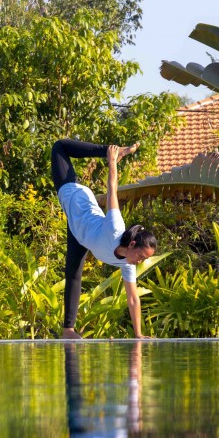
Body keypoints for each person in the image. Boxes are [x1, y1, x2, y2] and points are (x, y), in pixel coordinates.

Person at [51, 139, 156, 339]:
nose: (141, 261)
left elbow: (133, 299)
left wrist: (139, 335)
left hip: (78, 232)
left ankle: (68, 331)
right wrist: (111, 160)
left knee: (73, 274)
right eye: (141, 256)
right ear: (132, 244)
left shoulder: (127, 264)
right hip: (75, 197)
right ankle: (109, 150)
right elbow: (112, 188)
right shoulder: (116, 228)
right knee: (59, 147)